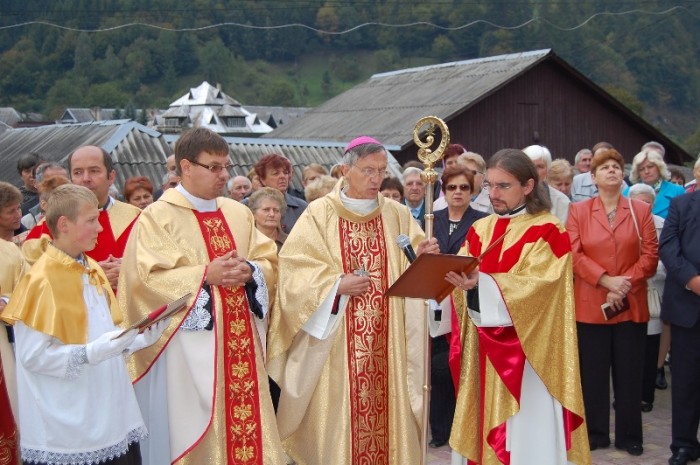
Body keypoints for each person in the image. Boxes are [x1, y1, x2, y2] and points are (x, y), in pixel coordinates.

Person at [118, 127, 286, 465]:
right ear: (186, 166)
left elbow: (269, 260)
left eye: (226, 166)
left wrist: (252, 271)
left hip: (242, 347)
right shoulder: (157, 217)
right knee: (192, 430)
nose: (224, 175)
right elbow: (143, 281)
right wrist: (203, 275)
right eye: (214, 167)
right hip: (187, 353)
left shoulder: (237, 212)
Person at [268, 135, 439, 465]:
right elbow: (293, 271)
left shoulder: (397, 214)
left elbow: (414, 266)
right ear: (345, 170)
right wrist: (335, 285)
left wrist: (421, 258)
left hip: (389, 342)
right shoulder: (319, 214)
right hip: (336, 344)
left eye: (381, 170)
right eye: (367, 171)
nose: (376, 178)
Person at [1, 184, 168, 465]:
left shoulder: (90, 268)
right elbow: (32, 356)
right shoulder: (41, 281)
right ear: (64, 224)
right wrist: (90, 353)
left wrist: (137, 340)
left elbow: (102, 336)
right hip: (70, 428)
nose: (100, 229)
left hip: (109, 414)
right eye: (91, 220)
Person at [448, 149, 589, 465]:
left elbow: (541, 289)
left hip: (528, 357)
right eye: (490, 186)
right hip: (484, 352)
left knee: (525, 440)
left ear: (528, 185)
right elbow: (459, 280)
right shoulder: (480, 230)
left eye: (503, 186)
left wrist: (481, 284)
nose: (494, 194)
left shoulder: (549, 230)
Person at [566, 148, 657, 456]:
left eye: (617, 167)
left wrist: (624, 283)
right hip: (591, 302)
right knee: (592, 373)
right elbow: (573, 255)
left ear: (623, 175)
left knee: (630, 373)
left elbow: (650, 257)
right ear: (593, 177)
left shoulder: (640, 211)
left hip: (630, 303)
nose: (612, 171)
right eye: (604, 167)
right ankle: (595, 433)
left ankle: (630, 435)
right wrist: (606, 280)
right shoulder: (578, 211)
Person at [24, 146, 141, 288]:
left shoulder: (137, 217)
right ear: (71, 178)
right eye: (78, 172)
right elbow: (33, 278)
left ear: (111, 177)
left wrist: (129, 271)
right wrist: (89, 275)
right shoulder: (50, 225)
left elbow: (157, 265)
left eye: (94, 171)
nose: (85, 179)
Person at [431, 166, 488, 449]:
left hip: (468, 300)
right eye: (452, 188)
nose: (458, 193)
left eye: (463, 188)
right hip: (436, 300)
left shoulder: (483, 221)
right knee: (438, 367)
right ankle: (441, 431)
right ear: (444, 191)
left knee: (466, 364)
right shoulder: (432, 220)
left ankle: (466, 427)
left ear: (472, 191)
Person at [659, 188, 700, 465]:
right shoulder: (681, 204)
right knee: (685, 381)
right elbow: (668, 247)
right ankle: (684, 445)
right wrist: (694, 281)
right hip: (688, 306)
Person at [627, 183, 666, 413]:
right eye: (638, 202)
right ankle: (627, 395)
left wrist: (643, 270)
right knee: (627, 350)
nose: (643, 207)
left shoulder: (662, 224)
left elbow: (665, 262)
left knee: (650, 348)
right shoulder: (623, 224)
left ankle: (645, 395)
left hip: (652, 293)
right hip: (625, 293)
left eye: (647, 203)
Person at [623, 148, 685, 218]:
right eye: (641, 169)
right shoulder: (627, 192)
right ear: (637, 173)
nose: (646, 171)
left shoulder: (678, 191)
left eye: (650, 167)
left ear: (659, 167)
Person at [253, 154, 308, 233]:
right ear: (262, 179)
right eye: (275, 173)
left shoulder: (301, 207)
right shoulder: (248, 206)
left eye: (285, 173)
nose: (282, 176)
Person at [523, 144, 570, 223]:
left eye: (540, 166)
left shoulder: (561, 201)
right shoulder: (508, 197)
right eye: (530, 166)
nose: (534, 171)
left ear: (547, 170)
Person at [21, 162, 69, 230]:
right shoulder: (27, 222)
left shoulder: (83, 212)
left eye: (64, 184)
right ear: (36, 184)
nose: (59, 189)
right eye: (51, 184)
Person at [248, 186, 288, 251]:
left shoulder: (290, 241)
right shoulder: (246, 241)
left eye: (276, 210)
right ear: (253, 213)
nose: (272, 214)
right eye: (266, 209)